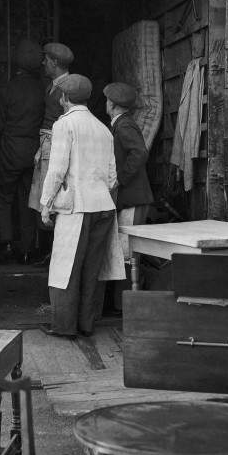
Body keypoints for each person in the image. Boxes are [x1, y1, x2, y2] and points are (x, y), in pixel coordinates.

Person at [39, 74, 125, 338]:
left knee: (66, 268)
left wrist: (45, 204)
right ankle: (87, 324)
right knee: (91, 268)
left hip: (77, 207)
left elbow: (56, 169)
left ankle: (64, 327)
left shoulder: (64, 125)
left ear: (64, 98)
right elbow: (113, 177)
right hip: (103, 205)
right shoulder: (103, 127)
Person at [0, 39, 45, 264]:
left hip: (11, 150)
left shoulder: (8, 88)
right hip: (34, 151)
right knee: (29, 201)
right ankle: (28, 249)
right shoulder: (43, 89)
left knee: (3, 196)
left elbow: (0, 124)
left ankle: (7, 245)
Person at [103, 82, 154, 313]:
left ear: (112, 104)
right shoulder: (119, 124)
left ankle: (125, 307)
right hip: (129, 199)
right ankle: (120, 304)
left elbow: (140, 152)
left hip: (133, 198)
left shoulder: (123, 126)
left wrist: (121, 178)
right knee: (125, 252)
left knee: (127, 253)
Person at [28, 42, 74, 265]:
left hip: (55, 148)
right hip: (46, 145)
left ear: (55, 62)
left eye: (46, 59)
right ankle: (52, 253)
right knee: (43, 200)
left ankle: (59, 256)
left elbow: (68, 122)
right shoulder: (53, 86)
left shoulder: (67, 88)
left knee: (51, 199)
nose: (43, 62)